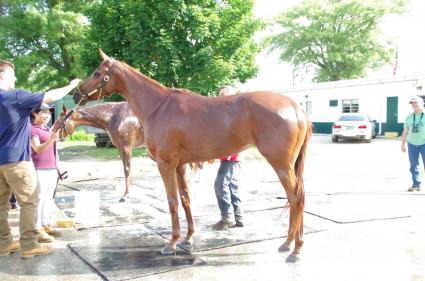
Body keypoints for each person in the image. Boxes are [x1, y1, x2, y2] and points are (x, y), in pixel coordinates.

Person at [0, 59, 80, 258]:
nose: (15, 77)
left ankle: (3, 244)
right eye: (12, 74)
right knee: (29, 202)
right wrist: (71, 86)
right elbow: (50, 96)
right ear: (3, 75)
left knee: (1, 205)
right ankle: (29, 245)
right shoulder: (15, 96)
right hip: (17, 160)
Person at [212, 86, 244, 230]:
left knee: (220, 184)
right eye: (220, 96)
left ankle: (227, 217)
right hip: (231, 157)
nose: (222, 99)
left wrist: (230, 152)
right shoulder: (228, 113)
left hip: (232, 157)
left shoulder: (234, 114)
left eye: (224, 96)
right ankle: (239, 218)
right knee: (232, 187)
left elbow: (237, 135)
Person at [31, 103, 63, 243]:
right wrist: (51, 140)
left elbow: (54, 151)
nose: (46, 116)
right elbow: (37, 149)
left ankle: (46, 225)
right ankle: (37, 229)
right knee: (39, 198)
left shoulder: (48, 130)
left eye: (48, 113)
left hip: (51, 169)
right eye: (43, 112)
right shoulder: (32, 129)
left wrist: (59, 168)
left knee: (49, 198)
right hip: (39, 169)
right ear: (35, 114)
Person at [401, 95, 425, 192]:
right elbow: (405, 131)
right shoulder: (409, 117)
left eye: (416, 102)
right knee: (413, 165)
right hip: (411, 144)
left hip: (424, 144)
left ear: (422, 103)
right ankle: (416, 184)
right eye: (412, 103)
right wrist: (402, 144)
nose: (414, 105)